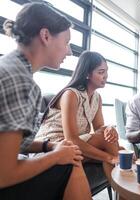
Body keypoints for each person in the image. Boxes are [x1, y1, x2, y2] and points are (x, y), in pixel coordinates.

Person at [0, 3, 91, 200]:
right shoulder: (21, 82)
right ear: (46, 36)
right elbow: (4, 174)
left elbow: (8, 143)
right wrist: (57, 156)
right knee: (70, 163)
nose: (70, 52)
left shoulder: (9, 67)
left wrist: (49, 146)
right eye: (67, 42)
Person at [35, 51, 121, 182]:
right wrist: (109, 157)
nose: (106, 76)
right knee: (115, 151)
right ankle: (124, 192)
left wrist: (109, 128)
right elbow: (71, 139)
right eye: (101, 72)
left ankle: (122, 192)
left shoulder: (97, 97)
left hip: (74, 145)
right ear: (87, 74)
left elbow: (99, 128)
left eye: (106, 71)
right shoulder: (71, 94)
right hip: (53, 146)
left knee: (120, 148)